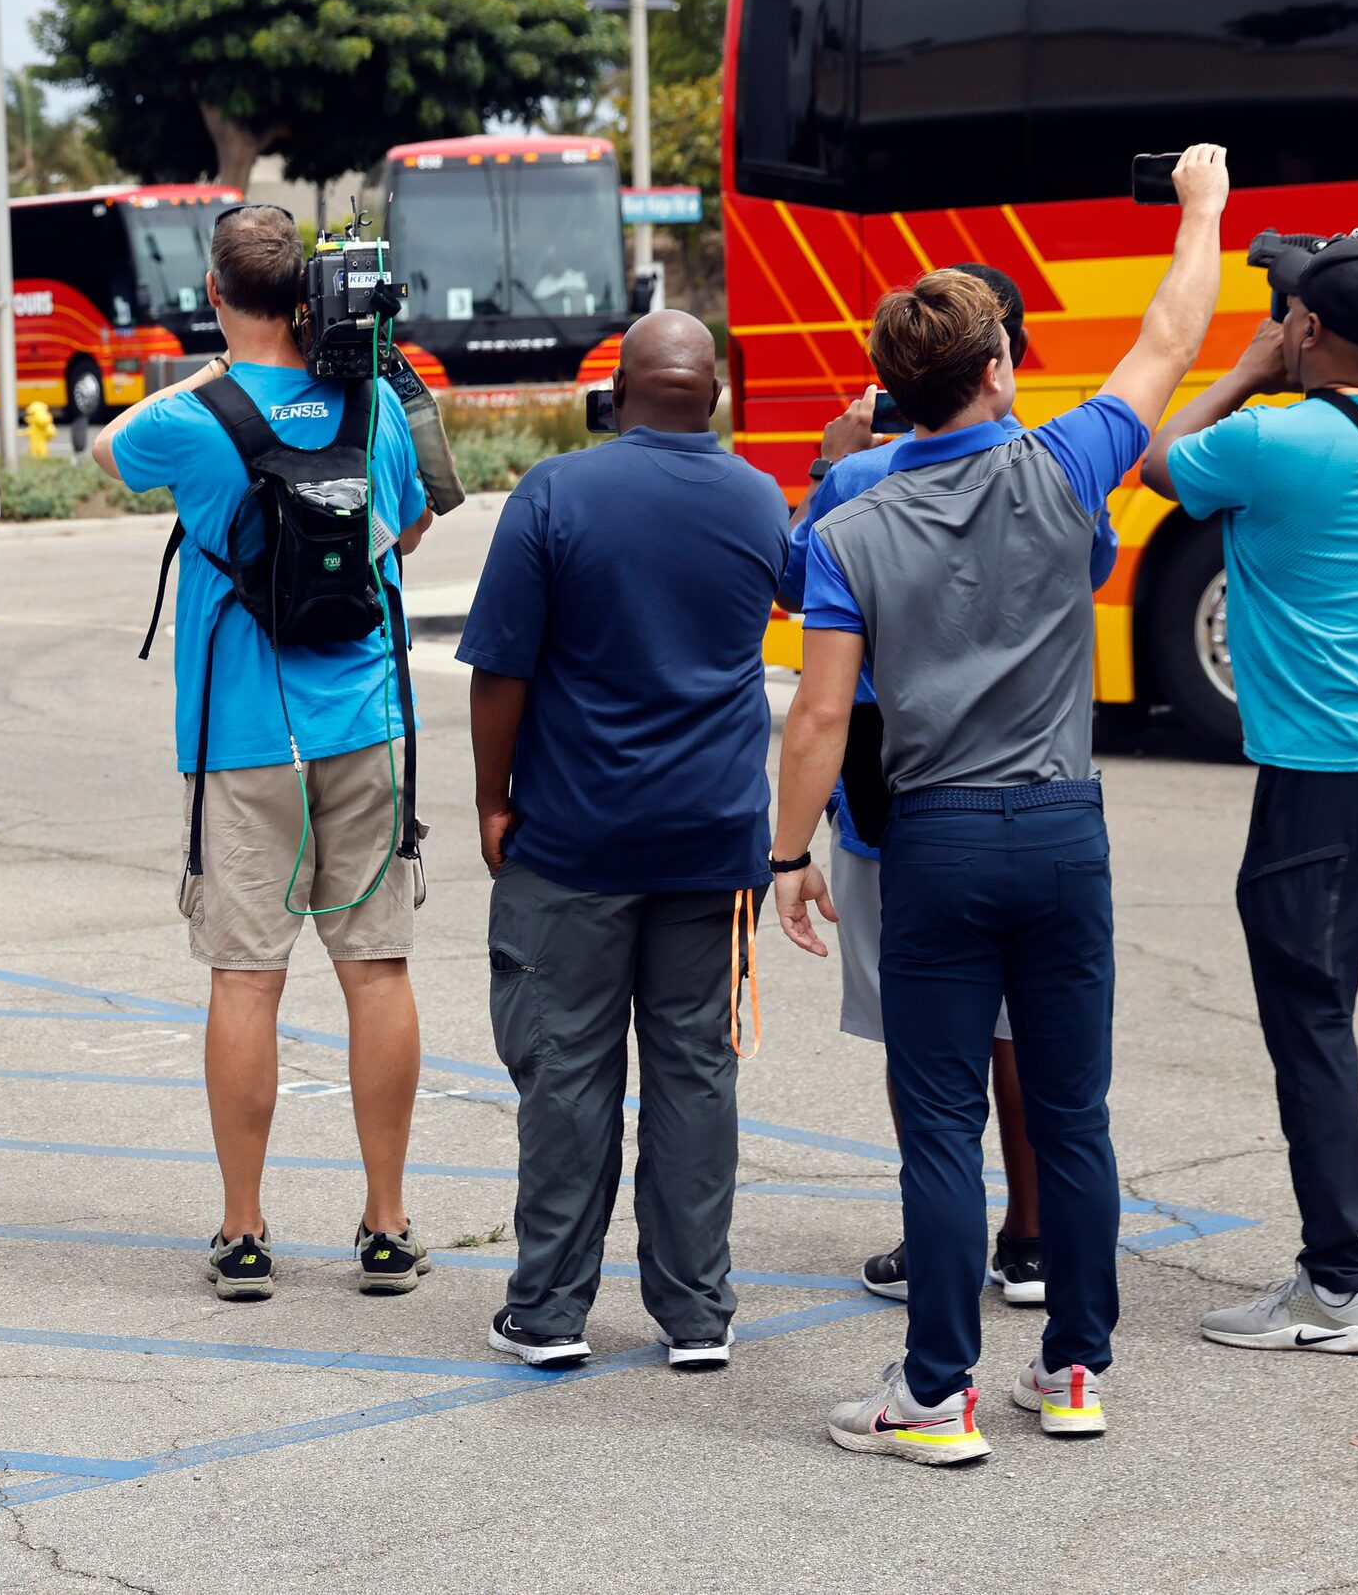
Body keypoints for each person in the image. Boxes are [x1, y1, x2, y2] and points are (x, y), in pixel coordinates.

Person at [773, 146, 1231, 1466]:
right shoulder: (1059, 468)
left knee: (936, 1124)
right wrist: (1197, 207)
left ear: (896, 393)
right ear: (991, 372)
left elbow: (817, 715)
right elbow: (1168, 330)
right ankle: (1074, 1365)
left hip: (935, 837)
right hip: (1060, 823)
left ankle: (935, 1391)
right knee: (1073, 1111)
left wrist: (785, 848)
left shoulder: (852, 527)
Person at [1140, 233, 1358, 1352]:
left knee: (1309, 1017)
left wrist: (1243, 366)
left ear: (1304, 329)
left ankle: (1334, 1284)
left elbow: (1148, 456)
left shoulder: (1271, 439)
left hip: (1322, 781)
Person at [92, 203, 434, 1303]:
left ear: (211, 294)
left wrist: (215, 373)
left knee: (246, 981)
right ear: (312, 293)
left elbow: (106, 451)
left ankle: (242, 1231)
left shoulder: (190, 419)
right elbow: (410, 525)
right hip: (367, 726)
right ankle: (384, 1225)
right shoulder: (372, 401)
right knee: (375, 970)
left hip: (241, 743)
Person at [457, 309, 784, 1371]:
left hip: (574, 840)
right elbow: (805, 606)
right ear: (715, 395)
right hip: (711, 842)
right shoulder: (753, 499)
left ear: (618, 392)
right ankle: (696, 1314)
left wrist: (489, 798)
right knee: (695, 1070)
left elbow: (500, 667)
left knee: (564, 1071)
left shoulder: (555, 494)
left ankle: (548, 1314)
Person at [774, 264, 1055, 1307]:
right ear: (1000, 365)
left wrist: (828, 459)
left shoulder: (856, 481)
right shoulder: (1047, 469)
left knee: (917, 1036)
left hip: (894, 786)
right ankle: (1032, 1241)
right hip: (1031, 779)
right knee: (1020, 1028)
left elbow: (795, 591)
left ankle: (937, 1241)